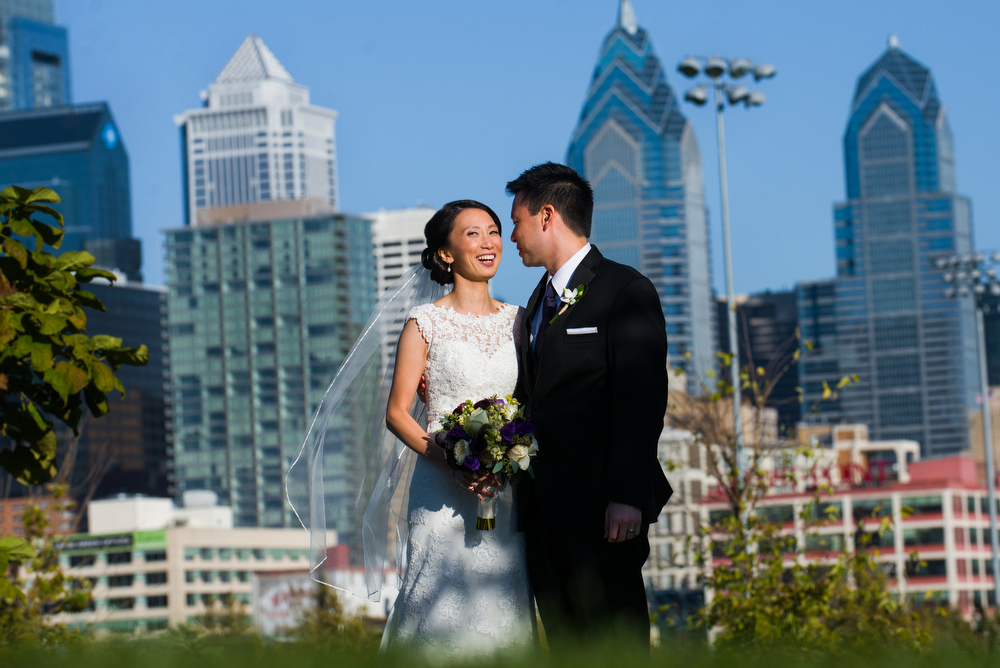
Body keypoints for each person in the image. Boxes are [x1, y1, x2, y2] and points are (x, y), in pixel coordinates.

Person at [507, 162, 672, 647]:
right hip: (541, 514)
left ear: (546, 215)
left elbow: (641, 399)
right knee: (566, 647)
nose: (511, 236)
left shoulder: (625, 289)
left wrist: (626, 495)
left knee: (613, 645)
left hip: (604, 510)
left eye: (515, 221)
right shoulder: (535, 303)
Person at [379, 200, 533, 655]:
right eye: (473, 234)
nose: (488, 243)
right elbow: (397, 413)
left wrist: (507, 454)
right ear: (445, 253)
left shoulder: (520, 322)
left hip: (505, 490)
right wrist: (452, 463)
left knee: (502, 609)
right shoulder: (424, 323)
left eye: (493, 232)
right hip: (440, 487)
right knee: (435, 612)